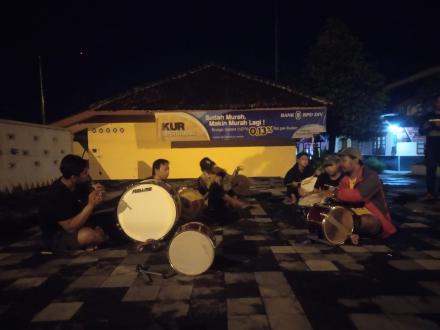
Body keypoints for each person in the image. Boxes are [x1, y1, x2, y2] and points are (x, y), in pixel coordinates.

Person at [39, 154, 108, 252]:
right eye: (84, 173)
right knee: (89, 235)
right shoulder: (56, 194)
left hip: (79, 226)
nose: (88, 175)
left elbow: (93, 207)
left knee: (110, 219)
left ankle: (94, 241)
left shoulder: (80, 185)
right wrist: (90, 205)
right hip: (57, 236)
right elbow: (70, 227)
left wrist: (100, 195)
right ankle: (100, 239)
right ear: (73, 177)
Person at [336, 148, 397, 245]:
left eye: (344, 161)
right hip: (352, 213)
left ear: (355, 160)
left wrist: (336, 193)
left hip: (373, 216)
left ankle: (350, 232)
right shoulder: (345, 178)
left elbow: (359, 195)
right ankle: (351, 233)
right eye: (340, 161)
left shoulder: (371, 176)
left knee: (366, 221)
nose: (341, 164)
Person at [419, 95, 440, 201]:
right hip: (431, 145)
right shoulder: (428, 116)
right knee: (430, 170)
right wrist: (431, 126)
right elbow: (421, 130)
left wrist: (436, 126)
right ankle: (430, 193)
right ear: (435, 103)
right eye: (439, 101)